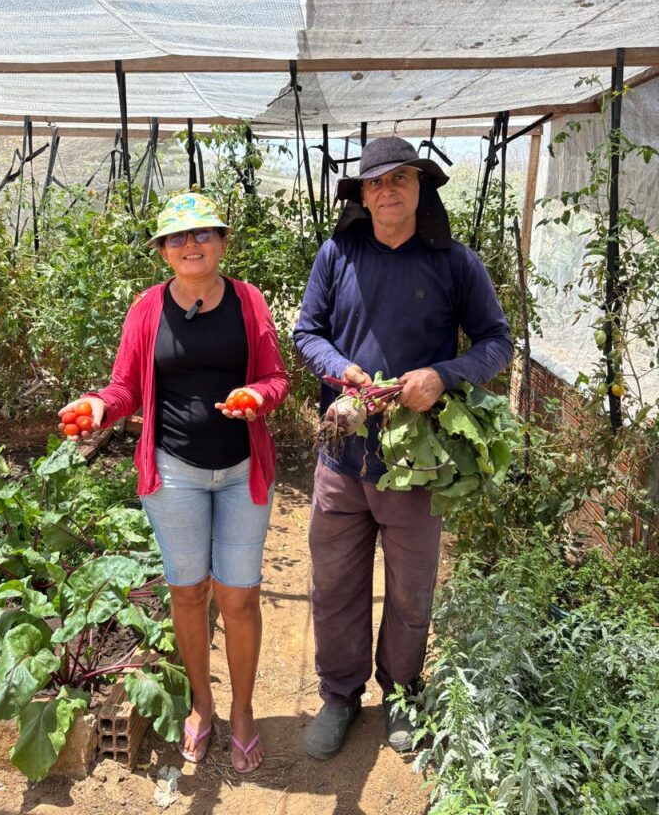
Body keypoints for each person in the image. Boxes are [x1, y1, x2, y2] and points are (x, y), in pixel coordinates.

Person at [293, 137, 513, 760]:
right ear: (362, 196)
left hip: (418, 460)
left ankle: (401, 693)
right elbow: (308, 331)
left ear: (422, 188)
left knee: (412, 587)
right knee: (334, 583)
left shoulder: (453, 263)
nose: (387, 190)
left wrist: (443, 376)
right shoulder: (338, 253)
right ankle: (339, 695)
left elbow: (497, 340)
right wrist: (342, 371)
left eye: (400, 179)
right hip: (344, 457)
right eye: (375, 183)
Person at [59, 192, 288, 774]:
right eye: (178, 238)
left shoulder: (249, 302)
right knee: (188, 592)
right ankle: (202, 704)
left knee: (239, 597)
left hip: (241, 471)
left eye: (203, 234)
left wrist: (257, 397)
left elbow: (275, 377)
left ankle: (241, 711)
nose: (192, 245)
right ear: (163, 251)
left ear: (223, 243)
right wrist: (96, 407)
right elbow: (124, 389)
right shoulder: (146, 310)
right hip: (174, 475)